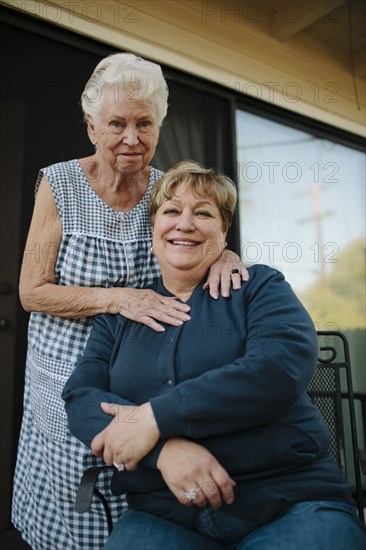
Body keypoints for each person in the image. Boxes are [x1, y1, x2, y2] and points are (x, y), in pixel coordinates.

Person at [63, 161, 366, 550]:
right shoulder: (122, 315)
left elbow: (277, 368)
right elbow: (82, 401)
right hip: (165, 512)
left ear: (223, 233)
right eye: (171, 211)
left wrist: (155, 417)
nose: (184, 223)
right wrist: (164, 450)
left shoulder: (259, 287)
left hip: (289, 502)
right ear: (153, 229)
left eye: (203, 213)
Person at [12, 54, 248, 550]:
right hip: (63, 377)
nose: (131, 139)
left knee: (140, 492)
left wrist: (225, 255)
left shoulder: (163, 188)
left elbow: (192, 232)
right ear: (92, 126)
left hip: (141, 374)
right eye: (117, 124)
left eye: (145, 124)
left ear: (159, 125)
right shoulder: (60, 185)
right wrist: (117, 298)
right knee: (75, 502)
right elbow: (32, 290)